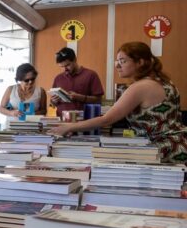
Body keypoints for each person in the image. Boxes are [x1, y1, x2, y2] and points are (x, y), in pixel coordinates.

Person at [50, 42, 187, 163]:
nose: (117, 65)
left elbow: (106, 119)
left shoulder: (140, 87)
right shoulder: (164, 82)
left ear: (140, 62)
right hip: (178, 145)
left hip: (164, 150)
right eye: (117, 61)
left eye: (123, 61)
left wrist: (68, 127)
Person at [51, 47, 104, 117]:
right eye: (62, 66)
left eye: (67, 65)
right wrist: (53, 101)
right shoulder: (58, 78)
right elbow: (52, 104)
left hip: (85, 121)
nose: (65, 69)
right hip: (62, 121)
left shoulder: (91, 75)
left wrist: (79, 97)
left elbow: (98, 100)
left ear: (75, 60)